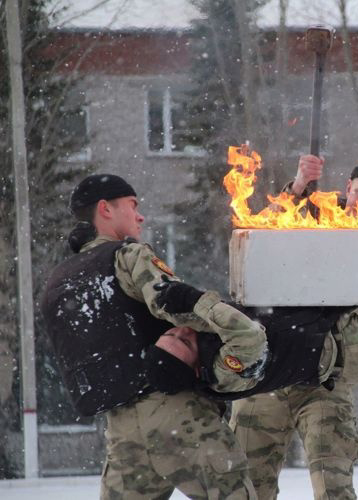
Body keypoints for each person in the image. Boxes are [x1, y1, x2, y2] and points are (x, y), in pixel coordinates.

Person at [41, 174, 264, 499]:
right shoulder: (127, 255)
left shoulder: (57, 282)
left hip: (121, 431)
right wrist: (240, 324)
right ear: (105, 209)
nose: (140, 216)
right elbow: (174, 304)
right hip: (177, 415)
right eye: (133, 206)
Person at [229, 155, 358, 500]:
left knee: (334, 488)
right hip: (265, 372)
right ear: (346, 189)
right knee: (248, 489)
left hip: (324, 380)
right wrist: (296, 187)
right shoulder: (311, 212)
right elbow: (257, 235)